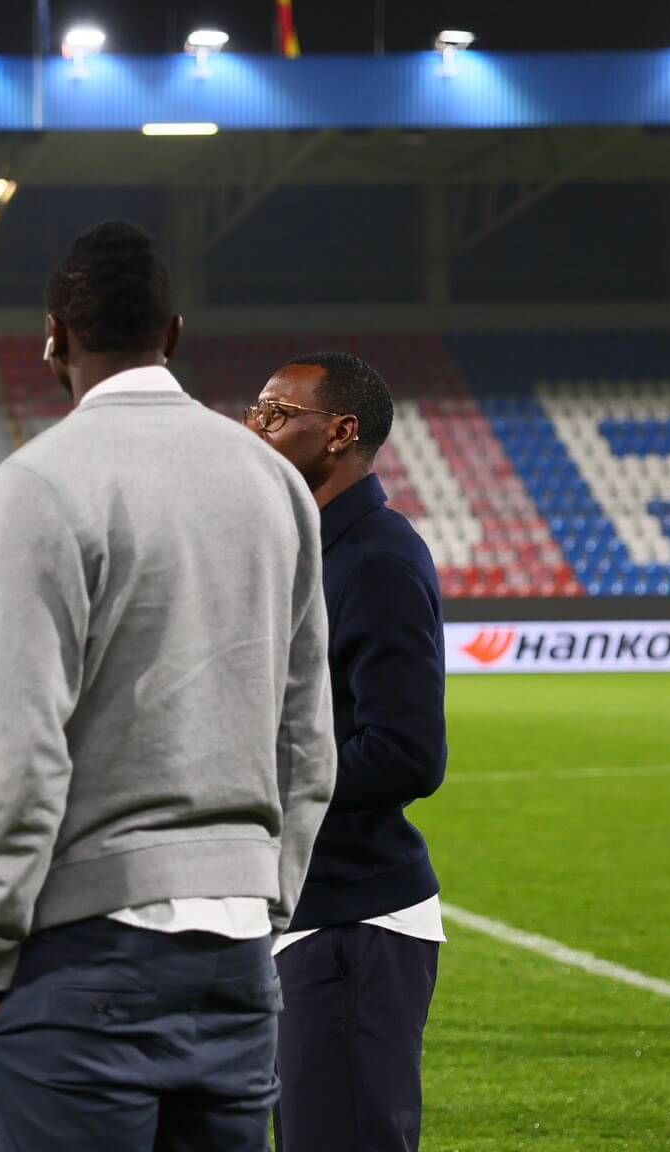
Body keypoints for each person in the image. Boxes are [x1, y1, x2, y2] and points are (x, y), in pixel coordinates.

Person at [0, 221, 336, 1152]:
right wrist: (265, 898)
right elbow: (308, 738)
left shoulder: (42, 480)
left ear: (55, 338)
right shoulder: (273, 480)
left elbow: (23, 747)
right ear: (173, 332)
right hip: (240, 952)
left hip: (84, 953)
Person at [247, 352, 446, 1152]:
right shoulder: (308, 549)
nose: (253, 427)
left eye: (273, 413)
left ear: (340, 433)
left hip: (354, 921)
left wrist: (254, 779)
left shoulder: (379, 559)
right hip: (306, 911)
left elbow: (406, 754)